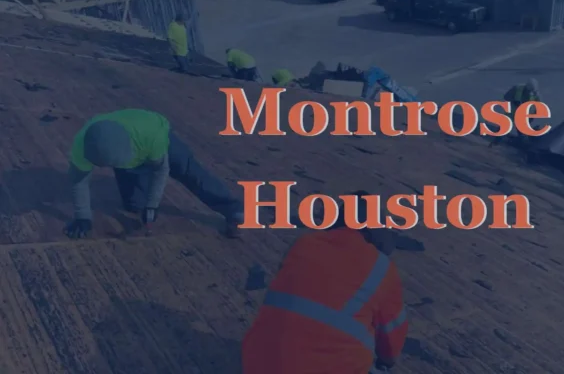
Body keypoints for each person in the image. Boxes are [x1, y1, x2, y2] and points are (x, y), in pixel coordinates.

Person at [241, 192, 408, 374]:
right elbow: (391, 344)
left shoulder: (303, 244)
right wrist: (386, 362)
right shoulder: (382, 268)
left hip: (256, 365)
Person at [64, 109, 244, 239]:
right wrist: (83, 217)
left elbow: (161, 170)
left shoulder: (152, 138)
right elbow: (79, 181)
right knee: (133, 205)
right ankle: (138, 184)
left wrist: (152, 205)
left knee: (190, 173)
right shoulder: (83, 145)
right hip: (128, 149)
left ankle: (233, 210)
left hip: (155, 133)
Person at [489, 78, 542, 148]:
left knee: (520, 133)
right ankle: (494, 144)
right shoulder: (518, 88)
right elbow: (506, 97)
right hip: (513, 113)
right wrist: (514, 100)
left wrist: (533, 115)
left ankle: (496, 144)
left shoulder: (534, 94)